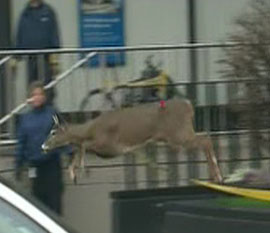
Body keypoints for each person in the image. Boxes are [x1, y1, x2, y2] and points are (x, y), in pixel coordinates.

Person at [15, 81, 68, 215]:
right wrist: (18, 166)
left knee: (54, 206)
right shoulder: (25, 119)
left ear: (44, 96)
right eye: (34, 94)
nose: (37, 97)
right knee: (38, 209)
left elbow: (63, 135)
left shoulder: (52, 114)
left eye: (40, 94)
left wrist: (71, 153)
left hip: (52, 166)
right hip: (35, 168)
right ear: (30, 98)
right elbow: (21, 143)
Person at [14, 0, 61, 104]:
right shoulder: (25, 13)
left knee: (47, 90)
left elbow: (54, 34)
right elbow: (19, 36)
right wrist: (15, 58)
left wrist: (55, 57)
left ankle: (49, 116)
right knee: (32, 89)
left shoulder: (48, 11)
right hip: (30, 59)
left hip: (46, 59)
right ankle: (34, 116)